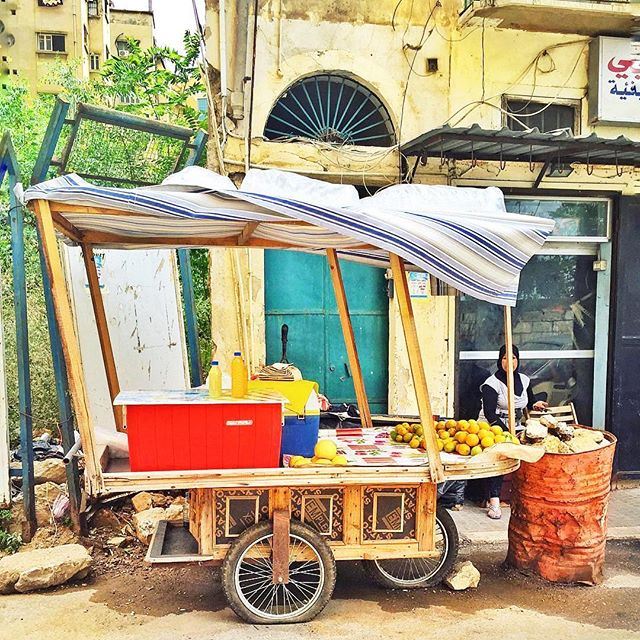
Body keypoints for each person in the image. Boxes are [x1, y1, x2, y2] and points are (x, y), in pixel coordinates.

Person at [478, 344, 548, 519]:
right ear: (499, 360)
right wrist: (506, 433)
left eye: (513, 358)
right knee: (501, 457)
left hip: (515, 426)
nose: (510, 362)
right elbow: (489, 413)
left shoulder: (524, 379)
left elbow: (530, 400)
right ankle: (494, 502)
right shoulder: (491, 384)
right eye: (505, 358)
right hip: (492, 427)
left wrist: (536, 405)